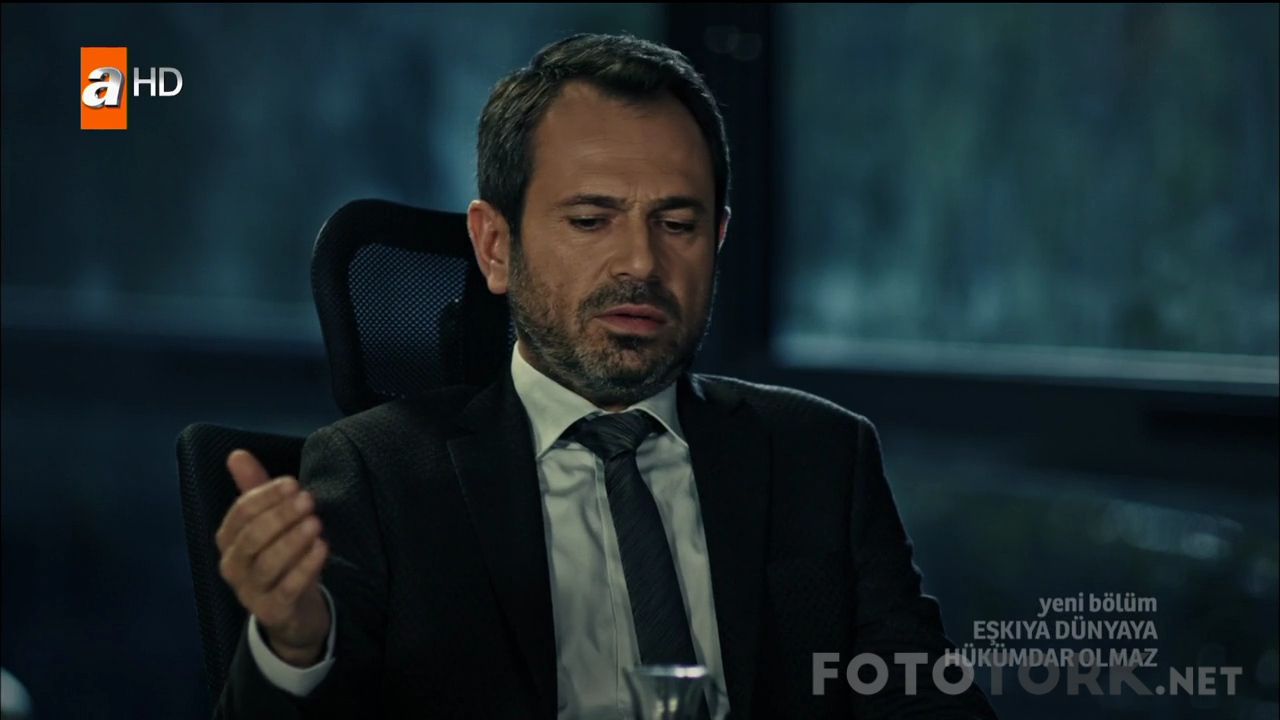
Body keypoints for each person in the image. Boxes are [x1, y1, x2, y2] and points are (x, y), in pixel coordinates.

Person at [213, 33, 998, 719]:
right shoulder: (376, 475)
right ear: (495, 247)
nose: (641, 264)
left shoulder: (820, 454)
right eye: (591, 221)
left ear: (718, 240)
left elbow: (925, 699)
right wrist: (295, 649)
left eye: (678, 224)